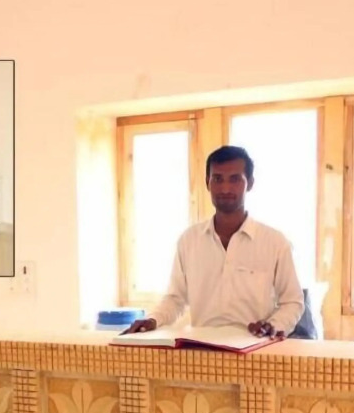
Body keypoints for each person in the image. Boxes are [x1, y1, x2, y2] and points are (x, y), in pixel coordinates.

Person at [124, 145, 304, 338]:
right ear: (207, 183)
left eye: (235, 179)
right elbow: (175, 299)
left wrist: (273, 326)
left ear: (250, 183)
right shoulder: (189, 241)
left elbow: (292, 302)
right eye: (217, 179)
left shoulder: (275, 242)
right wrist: (153, 319)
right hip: (201, 349)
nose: (225, 188)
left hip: (255, 348)